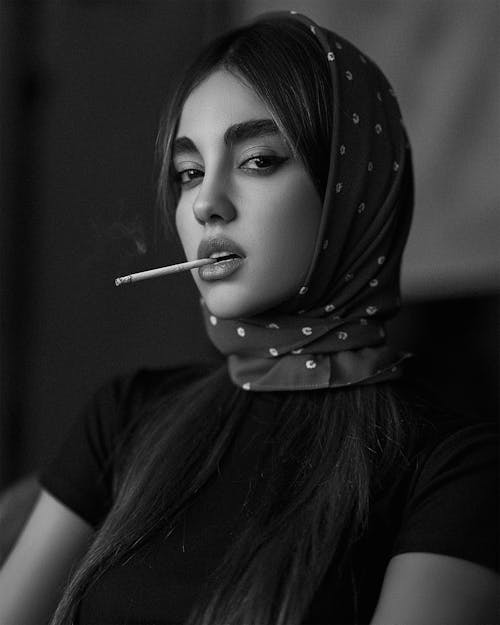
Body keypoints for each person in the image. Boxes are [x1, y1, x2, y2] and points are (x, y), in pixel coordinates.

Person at [0, 10, 498, 625]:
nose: (207, 204)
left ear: (353, 188)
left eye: (258, 160)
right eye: (188, 172)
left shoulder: (454, 469)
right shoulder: (127, 419)